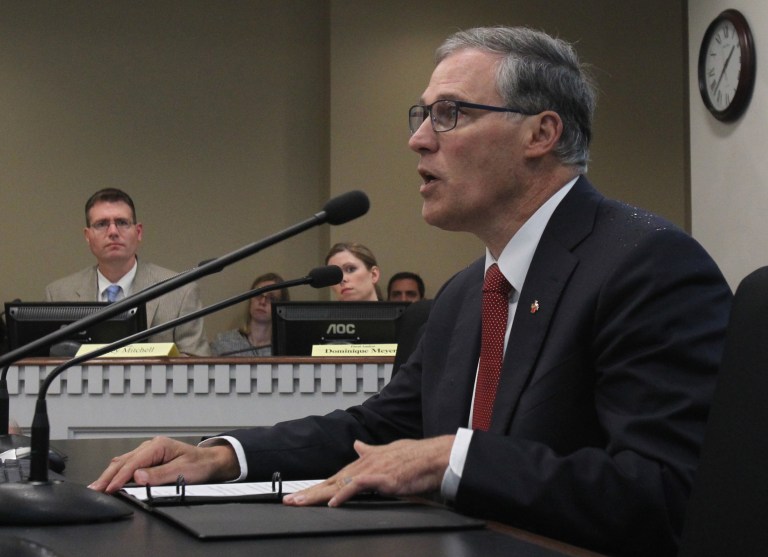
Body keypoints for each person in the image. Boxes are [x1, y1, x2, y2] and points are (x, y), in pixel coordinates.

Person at [89, 27, 732, 556]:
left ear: (541, 134)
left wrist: (453, 457)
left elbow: (661, 495)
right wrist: (225, 455)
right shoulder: (461, 297)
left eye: (449, 114)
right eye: (420, 115)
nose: (418, 138)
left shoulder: (647, 266)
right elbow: (376, 429)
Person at [45, 188, 210, 356]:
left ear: (138, 232)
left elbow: (197, 366)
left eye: (122, 223)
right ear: (88, 236)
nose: (113, 232)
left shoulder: (181, 291)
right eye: (102, 224)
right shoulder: (59, 293)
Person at [210, 272, 290, 356]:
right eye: (258, 294)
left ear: (281, 306)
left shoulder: (286, 348)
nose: (262, 302)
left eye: (271, 298)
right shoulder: (223, 342)